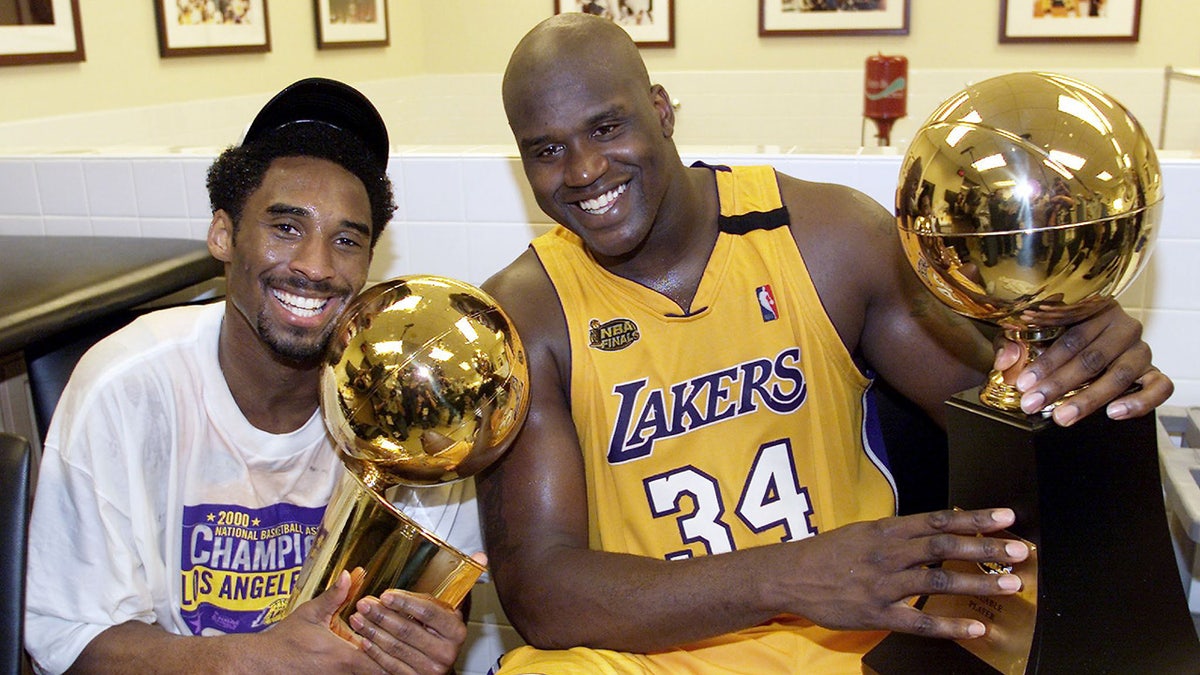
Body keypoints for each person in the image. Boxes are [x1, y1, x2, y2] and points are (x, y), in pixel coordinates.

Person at [477, 14, 1173, 674]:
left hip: (851, 649)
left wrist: (1072, 355)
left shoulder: (828, 237)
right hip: (634, 656)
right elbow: (543, 592)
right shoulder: (526, 311)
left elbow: (1006, 406)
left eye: (606, 126)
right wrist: (784, 575)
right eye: (547, 150)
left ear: (660, 109)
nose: (583, 169)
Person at [24, 78, 480, 675]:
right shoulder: (127, 386)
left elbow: (423, 607)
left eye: (346, 240)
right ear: (223, 235)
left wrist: (426, 642)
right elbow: (70, 644)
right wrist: (252, 659)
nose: (316, 266)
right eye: (286, 228)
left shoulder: (407, 400)